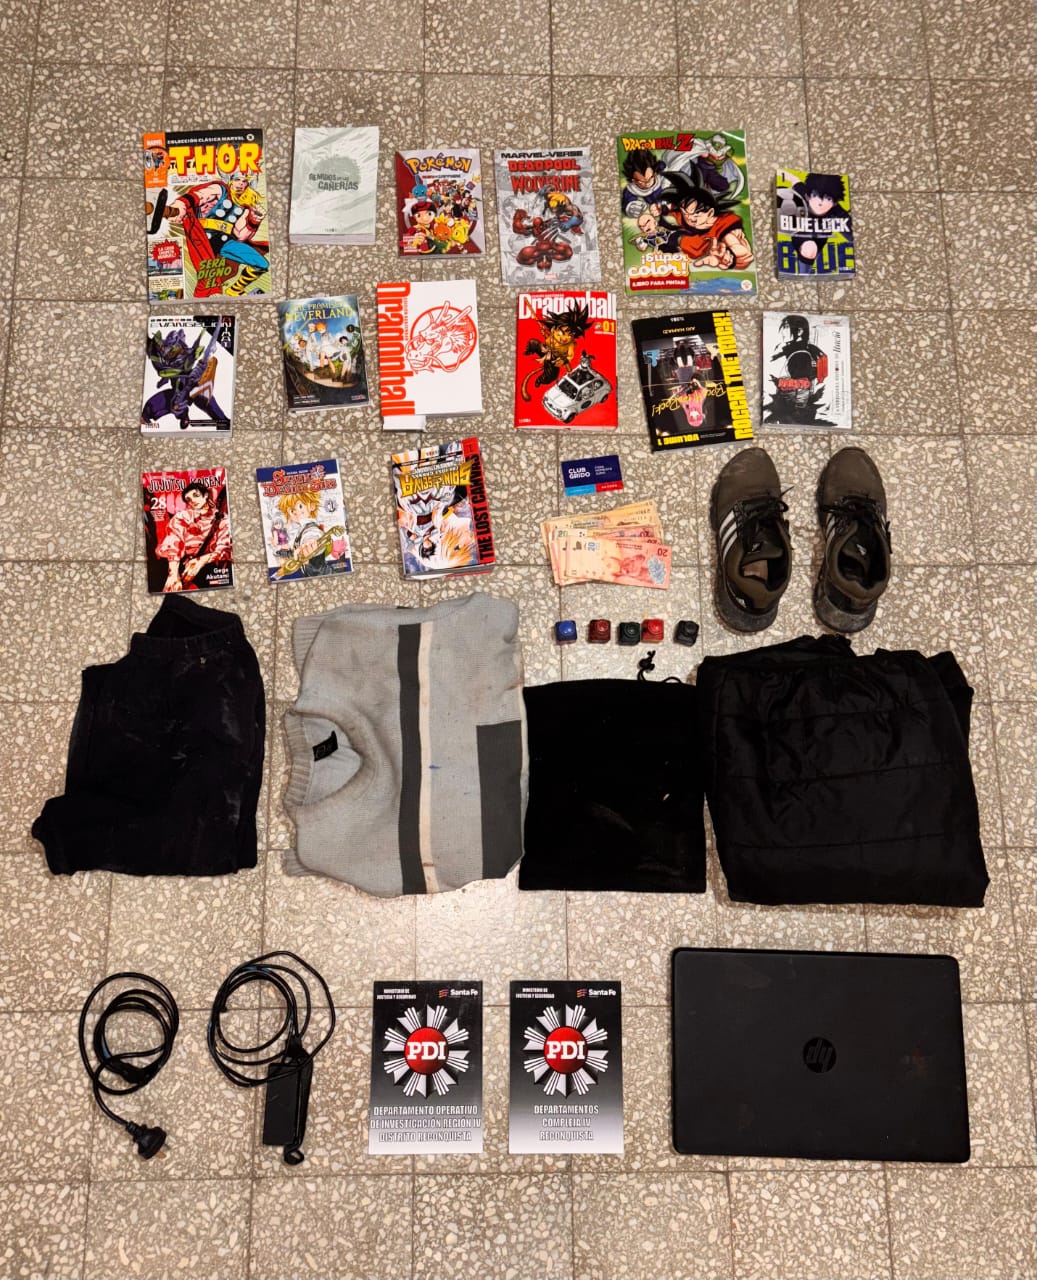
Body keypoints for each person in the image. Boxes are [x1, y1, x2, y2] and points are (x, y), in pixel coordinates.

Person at [155, 481, 231, 592]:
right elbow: (173, 542)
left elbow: (225, 547)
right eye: (189, 499)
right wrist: (173, 574)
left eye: (196, 495)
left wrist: (201, 561)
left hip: (210, 567)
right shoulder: (182, 517)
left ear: (205, 495)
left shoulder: (222, 518)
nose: (193, 501)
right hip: (180, 566)